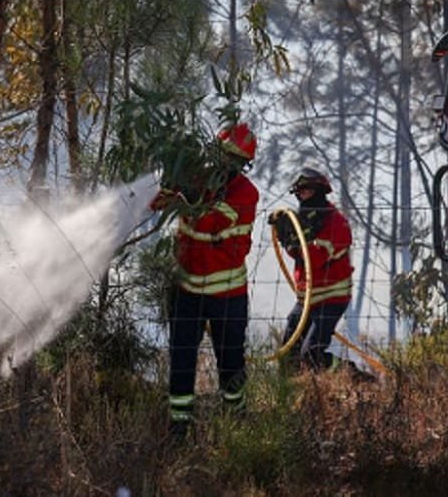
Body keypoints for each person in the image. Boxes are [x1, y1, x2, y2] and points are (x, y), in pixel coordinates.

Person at [150, 122, 260, 437]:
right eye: (222, 155)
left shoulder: (245, 194)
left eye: (234, 161)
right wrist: (171, 183)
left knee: (231, 359)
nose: (225, 164)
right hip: (186, 290)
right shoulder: (192, 177)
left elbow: (213, 218)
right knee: (182, 358)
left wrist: (191, 196)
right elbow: (156, 206)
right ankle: (179, 425)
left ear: (243, 166)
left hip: (227, 293)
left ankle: (236, 420)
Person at [269, 167, 353, 372]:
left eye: (307, 191)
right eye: (300, 192)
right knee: (289, 357)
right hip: (306, 298)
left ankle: (349, 373)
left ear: (320, 191)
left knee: (312, 355)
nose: (302, 196)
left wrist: (294, 244)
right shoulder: (303, 220)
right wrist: (287, 238)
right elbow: (299, 255)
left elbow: (313, 258)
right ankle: (297, 397)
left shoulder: (336, 222)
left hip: (331, 298)